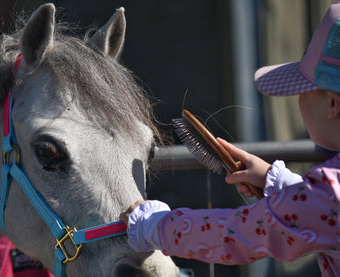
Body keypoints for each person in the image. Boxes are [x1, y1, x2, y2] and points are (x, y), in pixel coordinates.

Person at [119, 2, 340, 276]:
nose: (299, 100)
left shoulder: (329, 196)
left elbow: (237, 234)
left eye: (304, 89)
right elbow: (321, 213)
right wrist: (278, 183)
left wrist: (155, 226)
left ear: (332, 104)